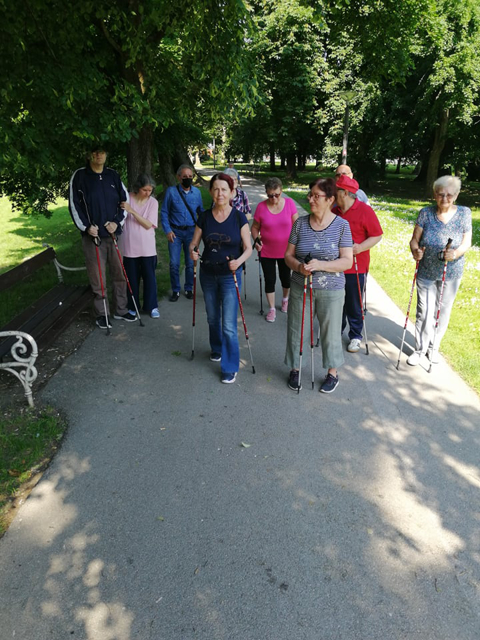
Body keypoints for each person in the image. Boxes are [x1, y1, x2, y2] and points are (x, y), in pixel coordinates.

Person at [284, 177, 353, 393]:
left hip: (331, 289)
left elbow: (347, 261)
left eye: (316, 196)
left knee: (330, 332)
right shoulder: (300, 223)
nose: (311, 199)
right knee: (297, 328)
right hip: (300, 286)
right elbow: (288, 255)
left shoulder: (342, 225)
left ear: (330, 199)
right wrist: (299, 267)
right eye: (310, 194)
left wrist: (321, 264)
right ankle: (295, 368)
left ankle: (332, 373)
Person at [190, 173, 252, 384]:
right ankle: (216, 347)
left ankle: (229, 365)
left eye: (224, 189)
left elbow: (248, 248)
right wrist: (193, 251)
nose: (220, 193)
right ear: (210, 192)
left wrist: (239, 261)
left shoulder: (238, 217)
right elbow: (194, 243)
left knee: (228, 324)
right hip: (208, 273)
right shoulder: (204, 217)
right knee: (212, 318)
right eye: (216, 189)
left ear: (232, 192)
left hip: (229, 276)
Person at [407, 175, 472, 366]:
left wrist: (456, 253)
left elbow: (467, 242)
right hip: (426, 270)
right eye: (440, 194)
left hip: (450, 273)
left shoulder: (464, 213)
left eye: (449, 195)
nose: (444, 199)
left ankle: (433, 348)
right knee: (424, 312)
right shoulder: (425, 213)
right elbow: (414, 240)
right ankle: (419, 350)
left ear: (457, 195)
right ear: (434, 194)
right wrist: (415, 251)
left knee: (442, 311)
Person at [69, 144, 134, 329]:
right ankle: (102, 313)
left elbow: (125, 202)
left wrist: (117, 222)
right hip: (93, 237)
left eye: (102, 152)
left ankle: (121, 310)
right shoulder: (80, 176)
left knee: (119, 274)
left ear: (106, 154)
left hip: (114, 234)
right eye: (95, 152)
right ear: (89, 155)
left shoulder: (113, 175)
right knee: (98, 277)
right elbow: (74, 205)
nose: (99, 155)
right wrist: (86, 227)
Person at [333, 175, 383, 353]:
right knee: (336, 301)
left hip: (356, 266)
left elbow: (377, 235)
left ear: (344, 193)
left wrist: (360, 247)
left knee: (353, 302)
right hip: (335, 265)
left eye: (335, 190)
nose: (333, 193)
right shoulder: (334, 210)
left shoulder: (365, 211)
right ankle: (335, 330)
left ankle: (355, 335)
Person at [251, 177, 298, 322]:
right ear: (266, 193)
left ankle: (285, 299)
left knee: (286, 278)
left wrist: (297, 244)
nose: (273, 198)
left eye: (277, 195)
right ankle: (271, 309)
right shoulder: (261, 207)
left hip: (286, 251)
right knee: (269, 279)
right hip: (267, 251)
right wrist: (256, 240)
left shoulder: (289, 204)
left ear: (281, 191)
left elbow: (297, 225)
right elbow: (254, 227)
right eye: (270, 195)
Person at [161, 164, 203, 301]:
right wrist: (167, 230)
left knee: (190, 263)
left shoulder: (197, 193)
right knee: (174, 263)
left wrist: (203, 230)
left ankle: (189, 288)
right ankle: (175, 290)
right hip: (175, 233)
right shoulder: (171, 192)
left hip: (191, 232)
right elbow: (164, 212)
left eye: (190, 177)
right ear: (179, 178)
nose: (188, 179)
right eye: (185, 177)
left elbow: (200, 213)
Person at [119, 174, 160, 319]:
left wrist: (132, 211)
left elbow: (148, 224)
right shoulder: (127, 198)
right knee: (132, 278)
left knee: (149, 278)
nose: (148, 193)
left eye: (150, 190)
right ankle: (132, 306)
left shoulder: (153, 202)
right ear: (137, 188)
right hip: (130, 246)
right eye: (145, 190)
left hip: (147, 247)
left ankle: (152, 306)